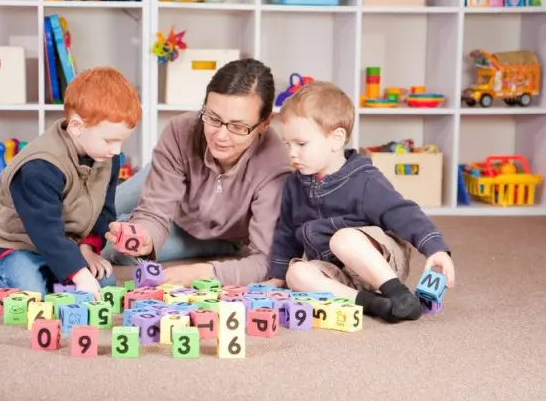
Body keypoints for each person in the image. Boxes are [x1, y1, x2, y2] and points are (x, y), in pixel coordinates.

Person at [265, 81, 456, 322]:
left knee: (343, 238)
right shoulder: (295, 184)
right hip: (338, 272)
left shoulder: (364, 180)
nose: (292, 153)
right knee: (297, 273)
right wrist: (278, 276)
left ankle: (398, 294)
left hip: (381, 264)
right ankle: (371, 304)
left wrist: (435, 247)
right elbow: (286, 233)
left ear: (336, 139)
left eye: (301, 144)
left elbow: (403, 212)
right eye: (287, 144)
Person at [101, 58, 292, 286]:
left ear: (265, 122)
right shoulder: (181, 130)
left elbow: (264, 261)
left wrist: (205, 272)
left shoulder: (276, 165)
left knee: (114, 249)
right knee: (92, 215)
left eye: (238, 127)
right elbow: (155, 211)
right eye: (213, 118)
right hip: (169, 188)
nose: (221, 136)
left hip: (218, 236)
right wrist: (145, 236)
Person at [0, 67, 142, 299]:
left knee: (105, 281)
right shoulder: (39, 168)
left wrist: (88, 248)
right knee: (33, 291)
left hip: (64, 239)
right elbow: (44, 229)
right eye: (109, 140)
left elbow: (104, 210)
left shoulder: (108, 156)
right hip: (17, 243)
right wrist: (78, 273)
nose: (116, 150)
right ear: (76, 126)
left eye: (121, 141)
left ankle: (58, 269)